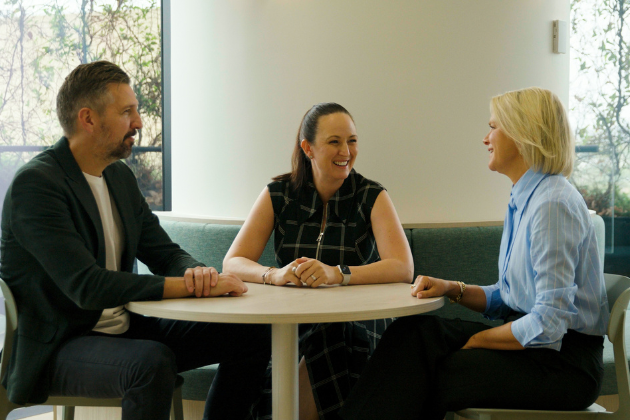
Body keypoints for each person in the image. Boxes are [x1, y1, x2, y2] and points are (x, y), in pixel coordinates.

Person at [0, 61, 271, 420]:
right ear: (88, 118)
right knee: (150, 364)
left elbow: (164, 251)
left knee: (250, 333)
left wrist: (197, 272)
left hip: (126, 327)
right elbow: (88, 286)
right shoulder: (37, 186)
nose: (139, 123)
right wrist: (184, 288)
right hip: (60, 345)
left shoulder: (119, 178)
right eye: (127, 112)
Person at [338, 87, 610, 420]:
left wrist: (479, 340)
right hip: (537, 349)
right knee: (410, 334)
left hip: (564, 366)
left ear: (523, 134)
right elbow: (511, 298)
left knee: (426, 373)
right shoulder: (527, 198)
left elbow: (549, 324)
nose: (486, 138)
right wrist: (453, 289)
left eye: (494, 127)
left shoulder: (552, 205)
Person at [222, 102, 414, 420]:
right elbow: (233, 262)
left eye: (352, 141)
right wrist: (276, 274)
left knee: (335, 336)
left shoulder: (371, 195)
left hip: (359, 323)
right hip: (293, 321)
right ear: (308, 148)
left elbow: (402, 267)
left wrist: (338, 274)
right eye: (335, 141)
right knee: (277, 348)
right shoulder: (278, 194)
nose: (346, 151)